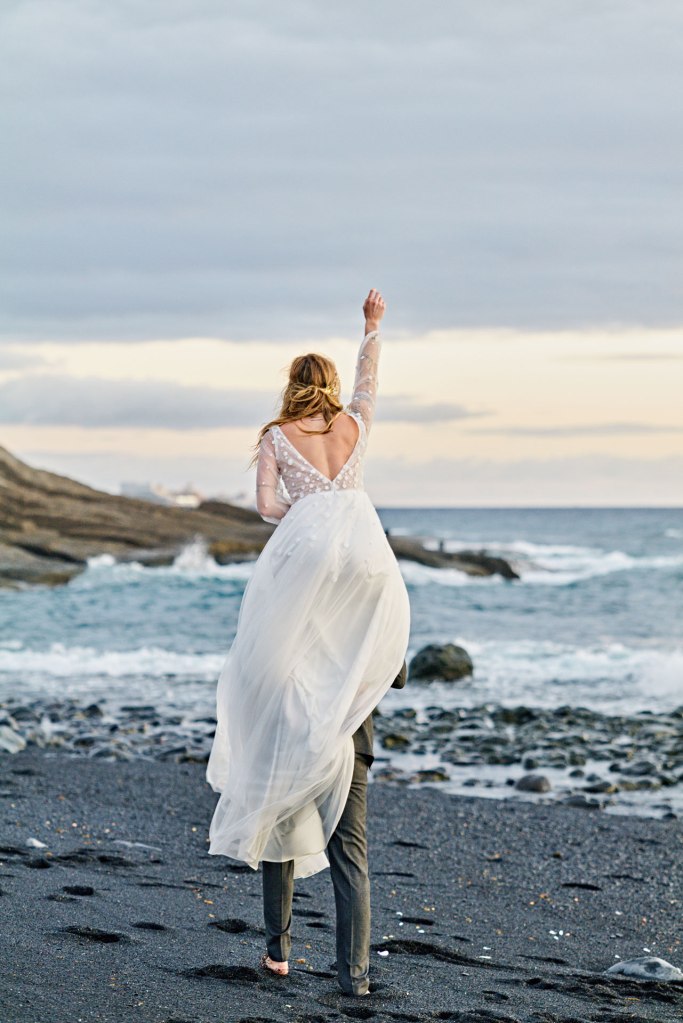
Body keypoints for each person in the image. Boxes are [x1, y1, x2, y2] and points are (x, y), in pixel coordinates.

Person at [205, 289, 411, 996]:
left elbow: (266, 507)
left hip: (296, 686)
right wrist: (371, 328)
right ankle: (354, 974)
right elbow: (370, 385)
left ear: (290, 388)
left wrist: (303, 511)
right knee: (350, 842)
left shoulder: (274, 437)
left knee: (277, 813)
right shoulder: (354, 426)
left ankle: (278, 952)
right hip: (352, 694)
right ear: (328, 388)